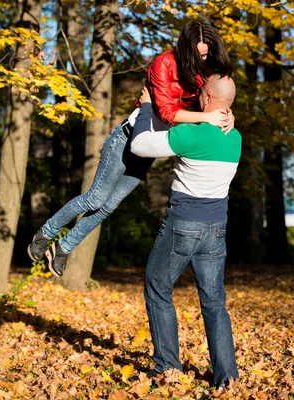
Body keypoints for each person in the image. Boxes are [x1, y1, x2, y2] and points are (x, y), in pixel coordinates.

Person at [27, 21, 235, 276]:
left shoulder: (201, 71)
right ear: (185, 48)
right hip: (126, 139)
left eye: (206, 54)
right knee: (96, 197)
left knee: (109, 206)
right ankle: (45, 233)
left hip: (148, 146)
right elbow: (167, 113)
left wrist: (226, 114)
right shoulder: (164, 64)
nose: (203, 59)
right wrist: (205, 118)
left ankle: (63, 247)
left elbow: (214, 96)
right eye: (199, 53)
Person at [131, 75, 241, 387]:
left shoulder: (192, 135)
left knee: (157, 286)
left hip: (183, 226)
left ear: (207, 99)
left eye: (200, 94)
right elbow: (222, 116)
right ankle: (227, 378)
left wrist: (146, 106)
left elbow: (140, 146)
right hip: (216, 230)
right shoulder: (235, 138)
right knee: (214, 304)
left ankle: (167, 367)